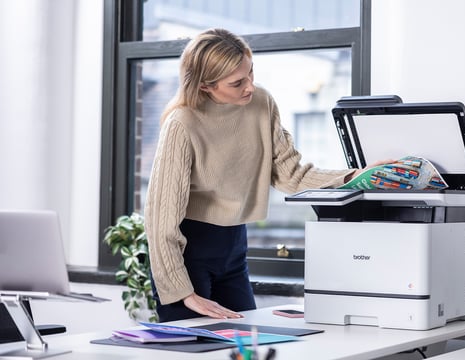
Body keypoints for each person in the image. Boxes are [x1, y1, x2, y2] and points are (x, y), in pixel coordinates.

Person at [144, 28, 388, 322]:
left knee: (249, 344)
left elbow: (291, 175)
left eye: (250, 74)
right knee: (197, 349)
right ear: (206, 86)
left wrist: (357, 176)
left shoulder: (261, 103)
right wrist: (182, 292)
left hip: (234, 247)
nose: (249, 86)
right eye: (237, 83)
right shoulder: (182, 123)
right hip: (188, 252)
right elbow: (160, 220)